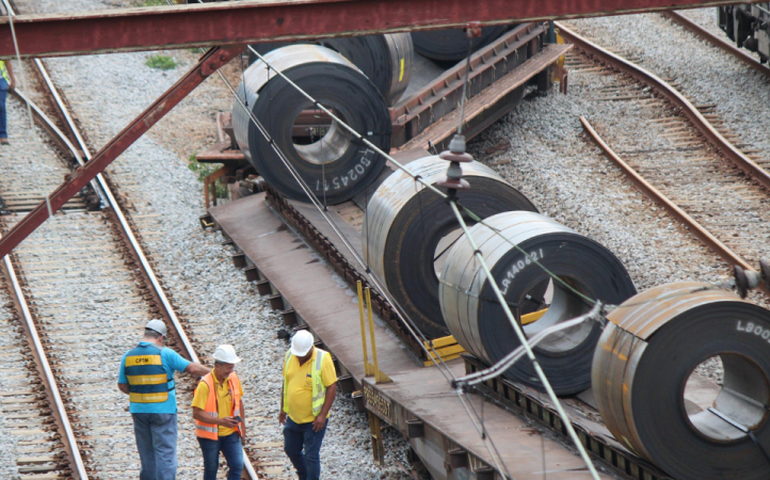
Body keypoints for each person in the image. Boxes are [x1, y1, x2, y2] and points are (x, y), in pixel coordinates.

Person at [118, 319, 211, 480]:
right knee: (165, 455)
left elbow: (122, 385)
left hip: (139, 412)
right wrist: (215, 373)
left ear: (145, 335)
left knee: (147, 454)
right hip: (163, 411)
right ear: (160, 338)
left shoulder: (128, 356)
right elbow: (192, 368)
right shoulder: (165, 353)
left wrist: (141, 394)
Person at [279, 330, 338, 480]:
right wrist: (282, 409)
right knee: (291, 450)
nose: (299, 356)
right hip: (293, 417)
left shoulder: (323, 358)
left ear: (311, 347)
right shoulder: (289, 355)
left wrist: (322, 415)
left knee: (311, 456)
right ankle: (303, 475)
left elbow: (332, 386)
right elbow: (286, 383)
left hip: (313, 421)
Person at [192, 344, 246, 480]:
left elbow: (239, 402)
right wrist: (220, 421)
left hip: (231, 433)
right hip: (210, 437)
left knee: (237, 465)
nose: (231, 370)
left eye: (232, 367)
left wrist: (243, 428)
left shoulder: (233, 378)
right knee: (211, 469)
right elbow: (197, 413)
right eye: (229, 367)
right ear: (217, 366)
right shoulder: (205, 385)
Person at [0, 59, 15, 145]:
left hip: (1, 81)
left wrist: (12, 79)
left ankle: (3, 135)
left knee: (1, 107)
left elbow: (7, 61)